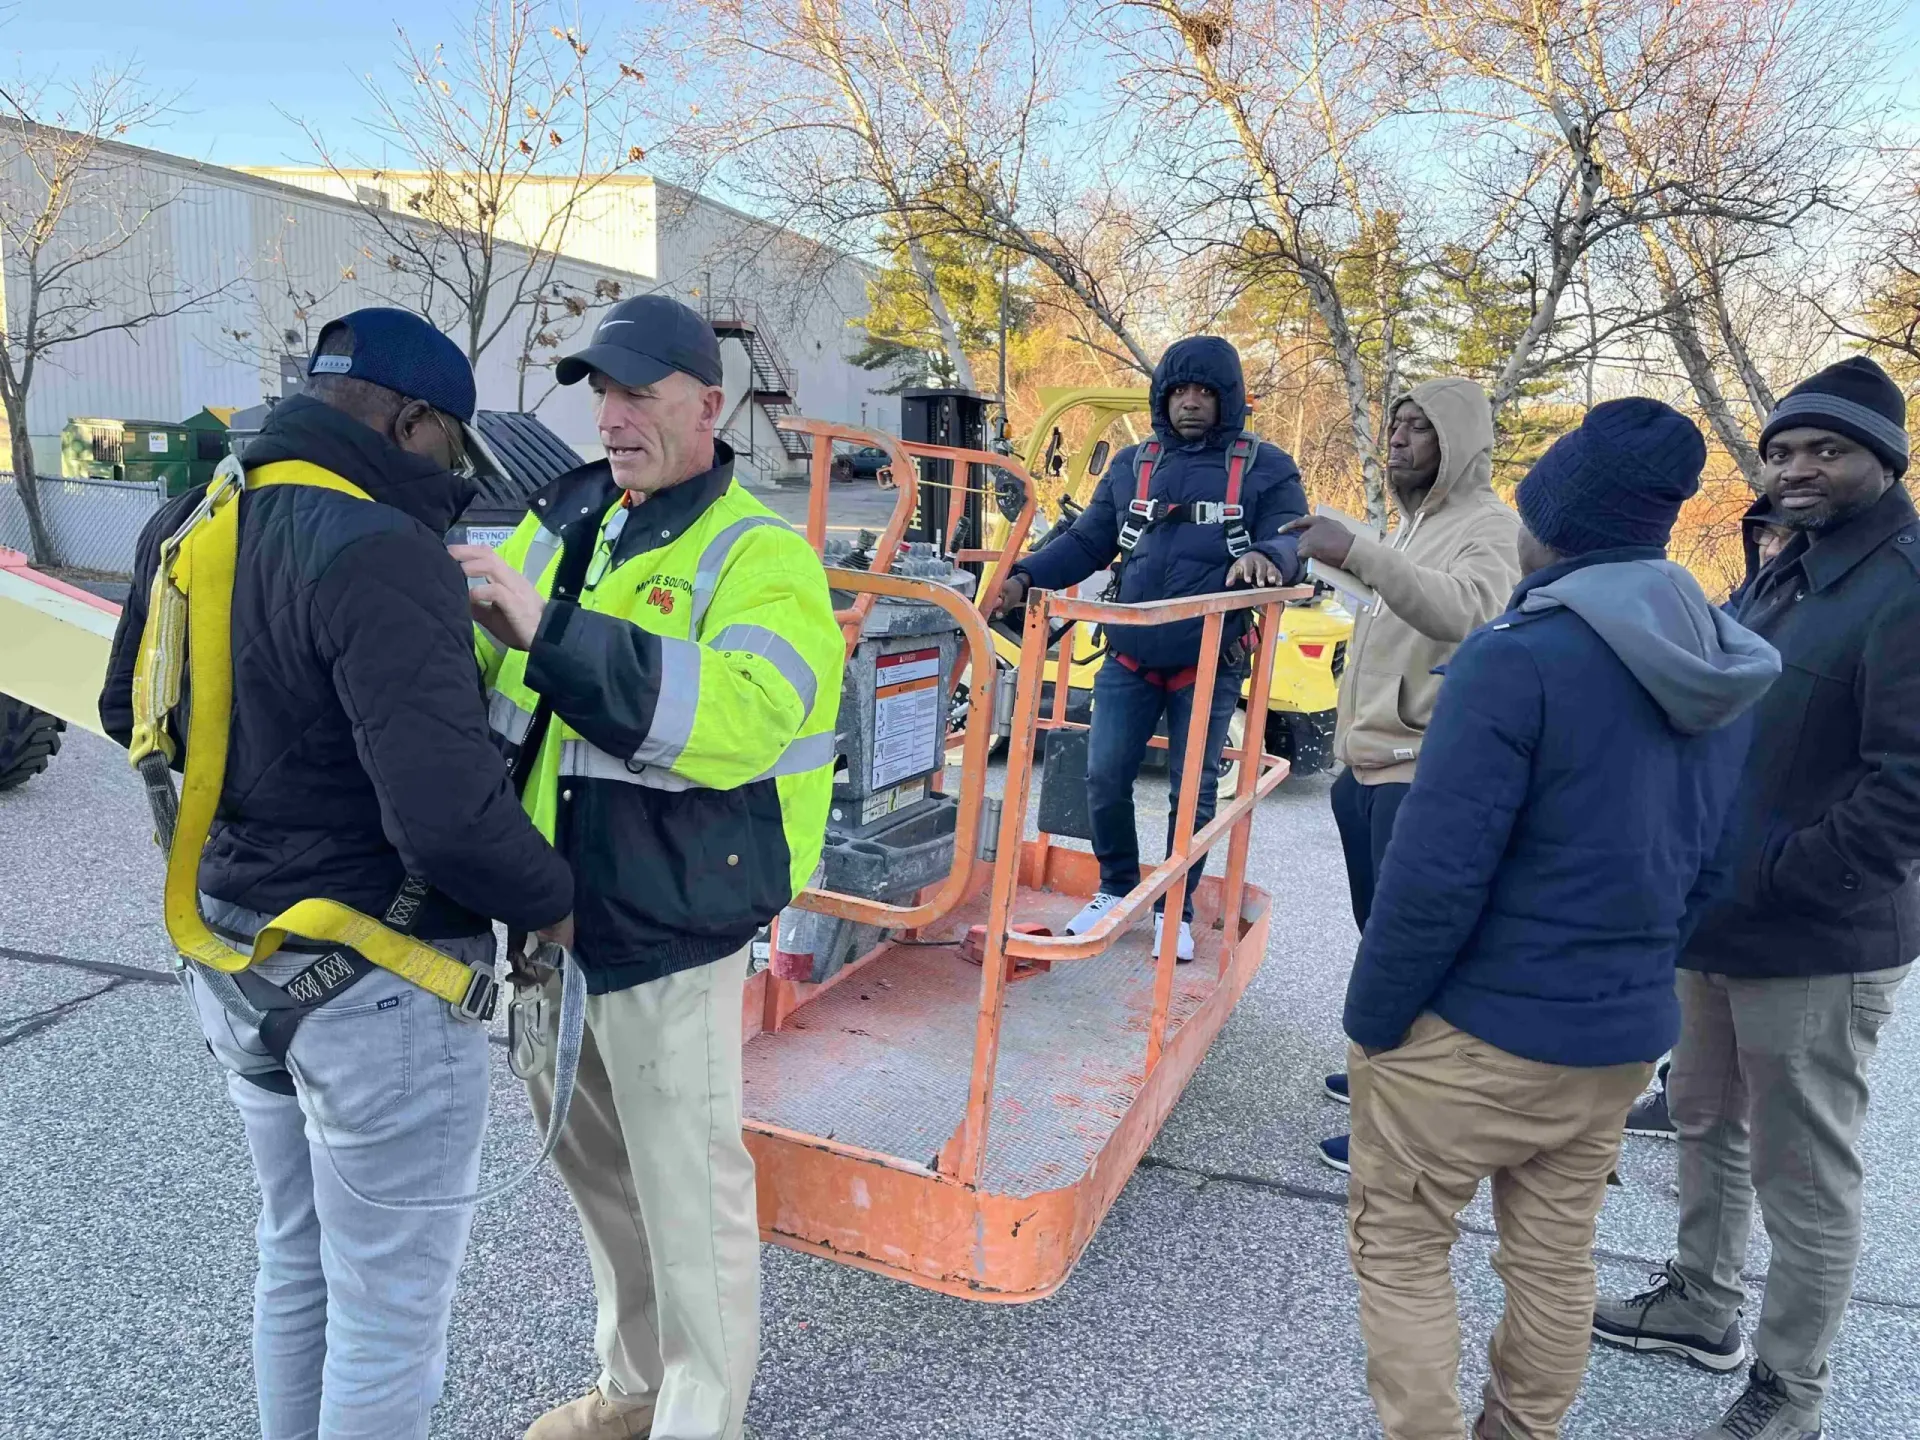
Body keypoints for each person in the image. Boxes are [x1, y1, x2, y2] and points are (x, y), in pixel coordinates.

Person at [98, 309, 576, 1438]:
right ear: (411, 422)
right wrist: (557, 908)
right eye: (450, 451)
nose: (450, 478)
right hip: (380, 984)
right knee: (390, 1311)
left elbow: (130, 711)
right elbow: (450, 822)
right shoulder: (382, 552)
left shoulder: (195, 518)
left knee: (296, 1262)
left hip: (234, 959)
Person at [1340, 398, 1779, 1440]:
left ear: (1557, 520)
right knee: (1554, 1256)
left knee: (1400, 1245)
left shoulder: (1516, 656)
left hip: (1477, 1035)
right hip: (1619, 1037)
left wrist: (1374, 1024)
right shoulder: (1721, 664)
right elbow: (1712, 865)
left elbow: (1431, 876)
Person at [452, 294, 844, 1440]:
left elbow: (744, 715)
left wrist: (552, 636)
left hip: (669, 927)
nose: (614, 417)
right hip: (546, 930)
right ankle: (633, 1392)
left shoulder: (761, 556)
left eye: (639, 393)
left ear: (708, 406)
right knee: (605, 1189)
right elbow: (482, 668)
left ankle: (697, 1419)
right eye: (603, 394)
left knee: (690, 1203)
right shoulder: (567, 522)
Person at [1594, 357, 1919, 1440]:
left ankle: (1793, 1390)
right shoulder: (1788, 565)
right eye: (1781, 451)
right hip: (1718, 910)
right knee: (1702, 1117)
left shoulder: (1906, 584)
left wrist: (1784, 876)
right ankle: (1699, 1302)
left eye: (1826, 449)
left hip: (1817, 934)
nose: (1796, 469)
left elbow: (1908, 787)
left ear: (1884, 458)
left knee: (1803, 1170)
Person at [991, 335, 1306, 960]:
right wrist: (1024, 576)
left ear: (1228, 400)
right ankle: (1116, 887)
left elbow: (1291, 533)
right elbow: (1087, 543)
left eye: (1205, 393)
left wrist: (1271, 557)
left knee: (1194, 791)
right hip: (1129, 656)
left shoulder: (1266, 467)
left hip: (1208, 660)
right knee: (1103, 775)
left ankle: (1174, 907)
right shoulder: (1134, 465)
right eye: (1179, 391)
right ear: (1163, 397)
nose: (1190, 403)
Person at [1279, 379, 1521, 1173]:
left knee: (1412, 956)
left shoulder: (1489, 526)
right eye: (1397, 427)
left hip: (1418, 773)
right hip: (1370, 768)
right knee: (1381, 942)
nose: (1402, 441)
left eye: (1421, 429)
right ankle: (1383, 1077)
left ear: (1461, 443)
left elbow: (1475, 614)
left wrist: (1362, 553)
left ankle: (1405, 1131)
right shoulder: (1418, 522)